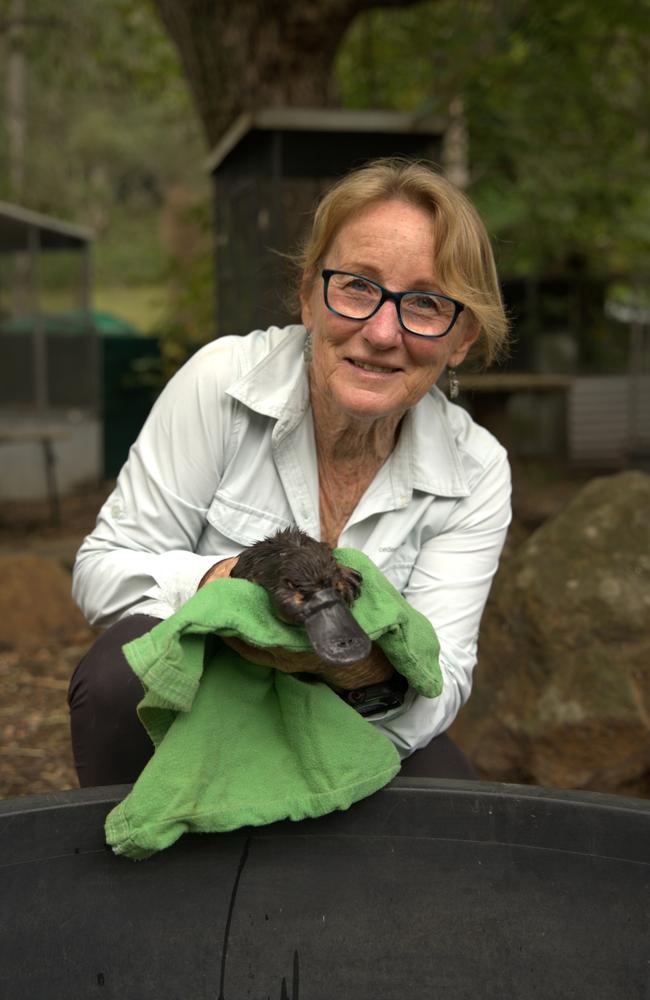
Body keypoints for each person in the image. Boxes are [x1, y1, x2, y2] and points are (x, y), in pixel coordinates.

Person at [68, 157, 511, 787]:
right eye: (357, 286)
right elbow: (102, 569)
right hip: (198, 701)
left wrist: (344, 668)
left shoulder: (478, 470)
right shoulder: (222, 382)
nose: (383, 332)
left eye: (426, 302)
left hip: (348, 721)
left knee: (455, 800)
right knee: (117, 677)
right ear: (308, 295)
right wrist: (228, 586)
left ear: (460, 338)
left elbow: (439, 687)